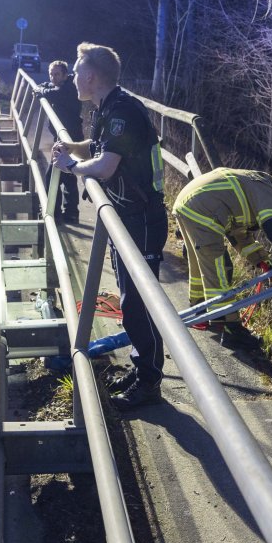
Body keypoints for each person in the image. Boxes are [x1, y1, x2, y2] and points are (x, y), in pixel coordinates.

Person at [50, 43, 167, 409]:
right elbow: (100, 149)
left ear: (90, 76)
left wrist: (70, 167)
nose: (72, 79)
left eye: (75, 72)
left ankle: (149, 382)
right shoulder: (109, 106)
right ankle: (142, 368)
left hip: (142, 219)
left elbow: (104, 167)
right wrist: (73, 146)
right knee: (130, 300)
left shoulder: (122, 112)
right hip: (126, 215)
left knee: (138, 303)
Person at [173, 168, 272, 349]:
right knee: (220, 268)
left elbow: (239, 235)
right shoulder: (269, 193)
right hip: (202, 209)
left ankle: (200, 309)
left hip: (189, 204)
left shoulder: (254, 192)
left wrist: (260, 259)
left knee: (200, 265)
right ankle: (230, 329)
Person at [34, 60, 84, 223]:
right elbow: (46, 85)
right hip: (63, 137)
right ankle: (71, 213)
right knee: (69, 177)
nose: (53, 77)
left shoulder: (69, 87)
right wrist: (43, 87)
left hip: (70, 139)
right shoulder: (61, 84)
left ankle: (54, 213)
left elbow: (51, 93)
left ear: (65, 74)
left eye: (57, 74)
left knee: (52, 177)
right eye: (51, 74)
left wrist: (40, 90)